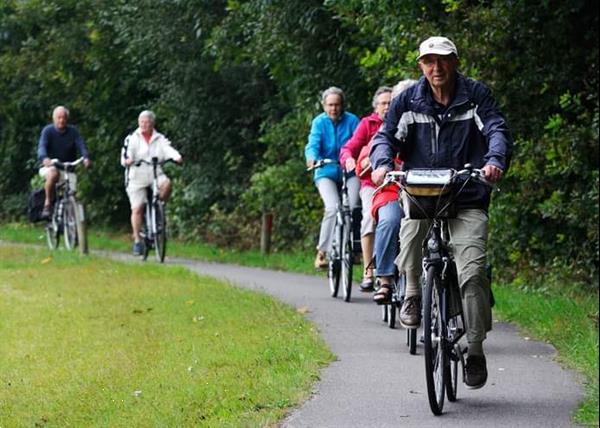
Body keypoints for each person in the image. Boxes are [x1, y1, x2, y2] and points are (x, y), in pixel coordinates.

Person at [371, 36, 513, 389]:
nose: (436, 68)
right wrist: (381, 162)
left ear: (455, 62)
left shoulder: (475, 94)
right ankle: (415, 293)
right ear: (421, 65)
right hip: (423, 193)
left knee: (472, 273)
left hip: (467, 194)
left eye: (443, 60)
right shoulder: (408, 99)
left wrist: (495, 160)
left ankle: (476, 349)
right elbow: (386, 136)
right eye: (429, 61)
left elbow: (496, 129)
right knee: (410, 232)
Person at [354, 80, 417, 302]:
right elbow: (368, 154)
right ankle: (385, 279)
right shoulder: (386, 128)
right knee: (389, 221)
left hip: (425, 191)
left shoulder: (428, 122)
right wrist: (375, 165)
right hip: (392, 190)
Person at [339, 86, 392, 291]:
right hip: (371, 182)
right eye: (383, 103)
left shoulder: (401, 121)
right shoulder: (367, 124)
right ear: (376, 107)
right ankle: (368, 270)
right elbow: (348, 148)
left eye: (390, 103)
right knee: (369, 218)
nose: (387, 107)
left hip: (396, 182)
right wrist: (350, 161)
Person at [305, 86, 360, 269]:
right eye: (330, 105)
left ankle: (350, 248)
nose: (333, 109)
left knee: (351, 208)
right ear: (323, 105)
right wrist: (312, 158)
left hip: (350, 171)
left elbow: (359, 142)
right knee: (332, 207)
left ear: (342, 105)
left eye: (337, 105)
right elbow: (312, 144)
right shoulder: (319, 122)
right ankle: (323, 251)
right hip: (326, 171)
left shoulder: (352, 121)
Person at [121, 110, 183, 256]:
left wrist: (177, 157)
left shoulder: (159, 138)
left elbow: (168, 149)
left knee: (167, 184)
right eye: (142, 122)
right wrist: (128, 160)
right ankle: (137, 240)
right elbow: (126, 154)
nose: (144, 124)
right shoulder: (132, 138)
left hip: (155, 172)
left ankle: (159, 208)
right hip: (137, 175)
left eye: (147, 122)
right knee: (137, 208)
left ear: (152, 123)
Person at [37, 106, 91, 218]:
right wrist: (44, 158)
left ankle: (71, 222)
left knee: (72, 193)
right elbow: (42, 146)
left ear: (67, 119)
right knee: (53, 173)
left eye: (64, 117)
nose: (61, 120)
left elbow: (81, 145)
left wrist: (86, 157)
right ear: (54, 119)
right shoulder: (48, 131)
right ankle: (47, 204)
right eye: (59, 117)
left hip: (67, 168)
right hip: (50, 166)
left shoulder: (73, 131)